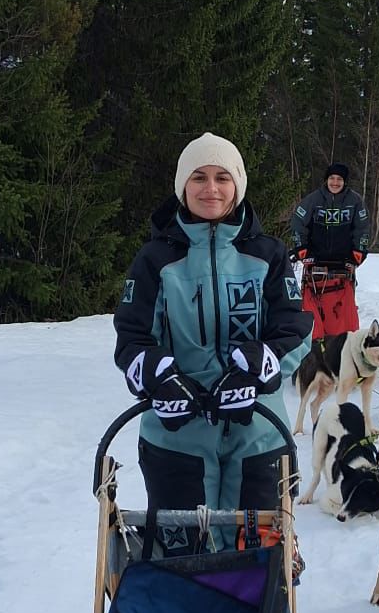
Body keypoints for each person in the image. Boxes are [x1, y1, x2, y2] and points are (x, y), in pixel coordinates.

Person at [114, 133, 314, 540]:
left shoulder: (268, 255)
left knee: (260, 561)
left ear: (237, 184)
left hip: (258, 433)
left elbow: (294, 328)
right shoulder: (155, 259)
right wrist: (157, 377)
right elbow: (132, 338)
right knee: (184, 560)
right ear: (182, 186)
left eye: (222, 177)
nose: (211, 189)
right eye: (199, 177)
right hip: (177, 435)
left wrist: (260, 365)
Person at [289, 162, 371, 338]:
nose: (335, 182)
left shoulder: (355, 201)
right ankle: (315, 340)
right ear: (326, 180)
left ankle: (343, 341)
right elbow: (298, 223)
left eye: (339, 179)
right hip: (316, 259)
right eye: (332, 178)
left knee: (343, 308)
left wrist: (358, 254)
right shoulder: (313, 200)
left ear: (345, 182)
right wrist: (302, 250)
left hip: (343, 261)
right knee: (313, 306)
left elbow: (362, 228)